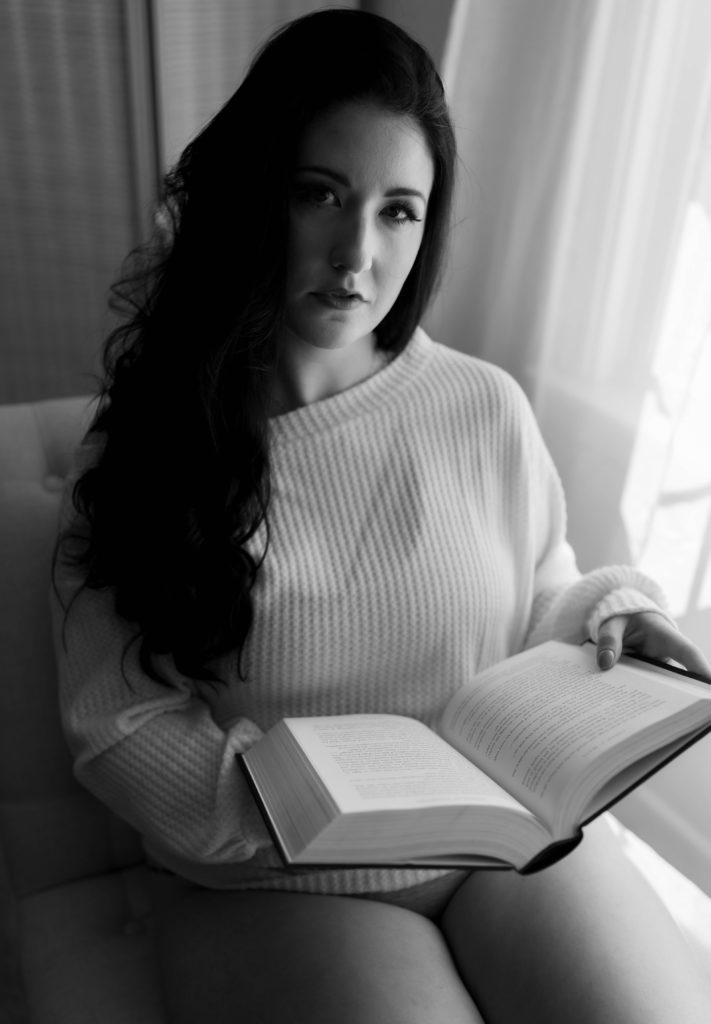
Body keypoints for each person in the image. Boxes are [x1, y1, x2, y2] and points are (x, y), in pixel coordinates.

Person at [53, 9, 711, 1023]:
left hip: (495, 854)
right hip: (271, 881)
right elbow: (117, 721)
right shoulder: (153, 444)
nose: (357, 252)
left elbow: (537, 587)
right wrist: (302, 815)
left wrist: (610, 613)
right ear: (254, 195)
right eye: (320, 195)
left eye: (400, 210)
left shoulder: (483, 404)